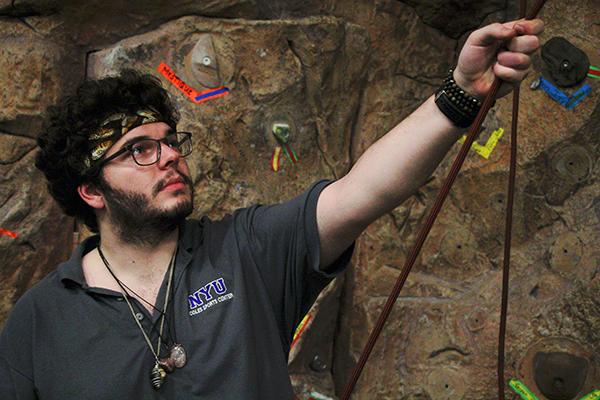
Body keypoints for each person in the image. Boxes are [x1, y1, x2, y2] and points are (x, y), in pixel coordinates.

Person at [0, 18, 544, 400]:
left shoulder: (248, 248)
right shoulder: (38, 320)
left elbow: (365, 190)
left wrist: (460, 93)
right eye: (140, 150)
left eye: (170, 140)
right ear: (91, 192)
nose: (168, 155)